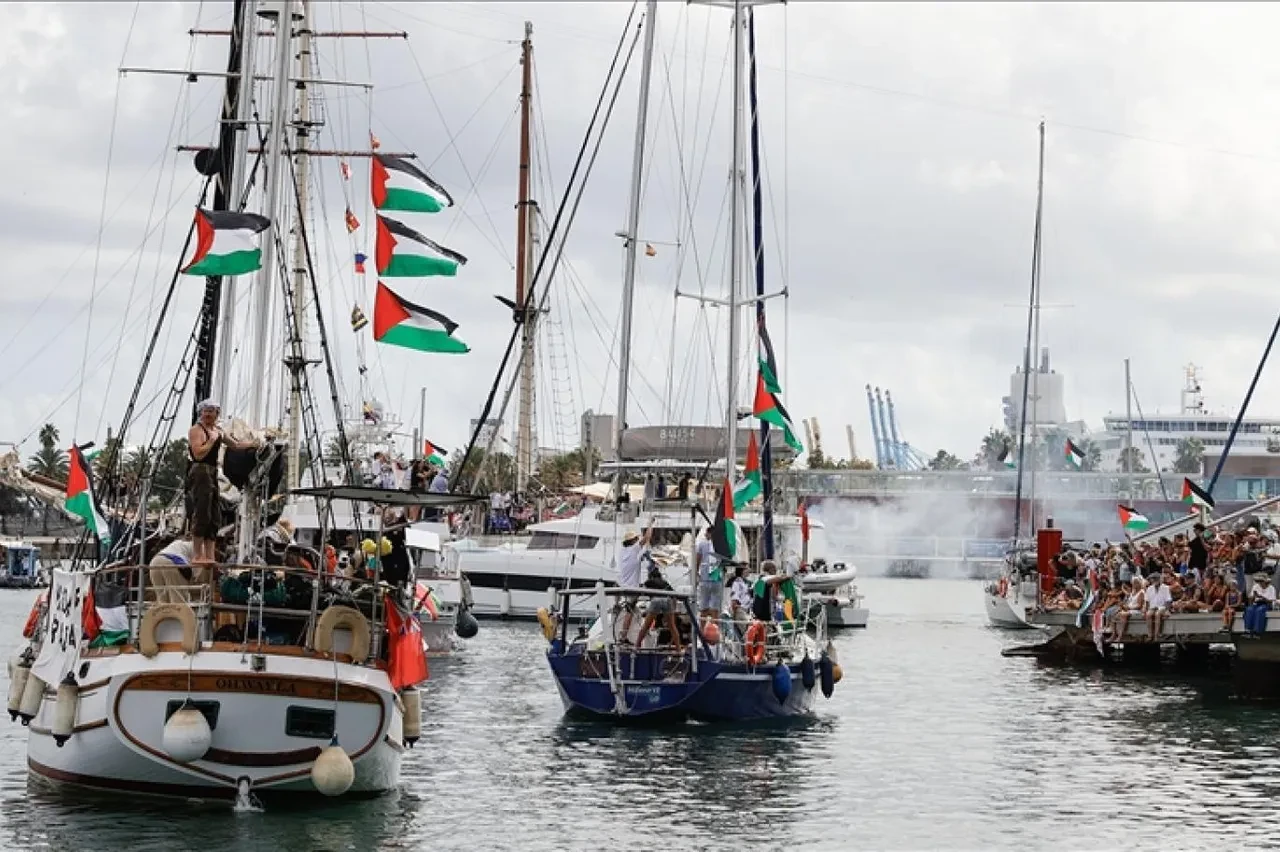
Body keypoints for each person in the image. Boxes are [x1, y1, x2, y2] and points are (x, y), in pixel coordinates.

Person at [186, 399, 256, 565]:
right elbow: (198, 454)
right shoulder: (197, 430)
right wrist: (211, 440)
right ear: (201, 413)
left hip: (212, 471)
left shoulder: (218, 430)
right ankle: (197, 554)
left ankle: (209, 555)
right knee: (202, 511)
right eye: (206, 411)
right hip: (200, 469)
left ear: (217, 414)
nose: (209, 414)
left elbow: (235, 444)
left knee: (214, 515)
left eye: (212, 411)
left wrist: (254, 444)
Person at [616, 523, 654, 643]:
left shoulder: (623, 551)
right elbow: (647, 537)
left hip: (624, 585)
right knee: (629, 612)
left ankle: (624, 634)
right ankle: (623, 637)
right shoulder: (634, 549)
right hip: (632, 588)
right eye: (636, 539)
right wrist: (651, 524)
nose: (638, 540)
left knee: (630, 610)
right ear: (633, 541)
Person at [635, 563, 682, 652]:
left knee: (646, 626)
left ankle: (637, 646)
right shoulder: (665, 582)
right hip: (667, 600)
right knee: (672, 627)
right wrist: (673, 609)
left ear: (650, 575)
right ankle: (678, 649)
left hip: (656, 600)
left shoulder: (649, 582)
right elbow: (674, 596)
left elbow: (641, 591)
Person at [149, 536, 202, 604]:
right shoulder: (198, 546)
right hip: (172, 562)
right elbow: (195, 576)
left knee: (162, 601)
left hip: (155, 562)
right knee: (178, 602)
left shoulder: (177, 543)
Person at [695, 527, 722, 621]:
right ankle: (715, 629)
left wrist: (696, 574)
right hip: (717, 578)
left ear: (710, 533)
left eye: (706, 533)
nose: (705, 535)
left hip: (705, 578)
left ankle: (702, 631)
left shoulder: (702, 544)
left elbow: (697, 560)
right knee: (715, 608)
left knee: (703, 606)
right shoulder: (720, 545)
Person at [1143, 573, 1172, 641]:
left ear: (1159, 579)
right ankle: (1150, 635)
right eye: (1153, 579)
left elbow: (1168, 600)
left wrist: (1167, 610)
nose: (1154, 581)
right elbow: (1147, 601)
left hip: (1162, 607)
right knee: (1148, 614)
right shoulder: (1149, 588)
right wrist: (1145, 610)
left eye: (1156, 579)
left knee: (1157, 614)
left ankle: (1157, 635)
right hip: (1152, 607)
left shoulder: (1166, 587)